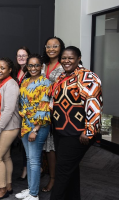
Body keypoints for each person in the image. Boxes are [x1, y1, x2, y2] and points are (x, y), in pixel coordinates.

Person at [49, 46, 103, 200]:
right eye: (64, 58)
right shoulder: (62, 76)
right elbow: (55, 100)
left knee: (62, 171)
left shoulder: (87, 76)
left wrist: (89, 130)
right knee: (70, 172)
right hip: (61, 132)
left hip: (77, 134)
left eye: (70, 58)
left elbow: (95, 104)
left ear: (78, 58)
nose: (66, 61)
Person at [15, 54, 51, 200]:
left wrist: (35, 130)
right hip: (25, 125)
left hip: (39, 126)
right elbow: (22, 103)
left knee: (35, 160)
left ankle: (34, 194)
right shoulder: (25, 81)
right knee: (29, 159)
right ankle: (31, 188)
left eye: (36, 65)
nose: (33, 68)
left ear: (41, 66)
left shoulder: (45, 83)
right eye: (31, 65)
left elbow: (44, 108)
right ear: (27, 67)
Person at [0, 58, 21, 200]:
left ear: (10, 70)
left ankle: (2, 190)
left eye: (3, 68)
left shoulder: (11, 85)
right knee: (5, 157)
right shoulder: (0, 83)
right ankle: (8, 186)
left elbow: (8, 110)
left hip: (6, 128)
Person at [40, 36, 65, 193]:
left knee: (58, 148)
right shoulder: (43, 66)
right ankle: (51, 176)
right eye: (48, 46)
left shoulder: (66, 66)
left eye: (55, 46)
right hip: (43, 112)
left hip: (60, 112)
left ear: (61, 48)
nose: (51, 49)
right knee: (48, 147)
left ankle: (58, 179)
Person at [15, 46, 31, 182]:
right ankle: (27, 168)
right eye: (19, 55)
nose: (21, 58)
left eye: (23, 55)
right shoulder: (16, 71)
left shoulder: (31, 72)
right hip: (18, 111)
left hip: (28, 112)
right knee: (22, 142)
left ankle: (27, 170)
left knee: (28, 142)